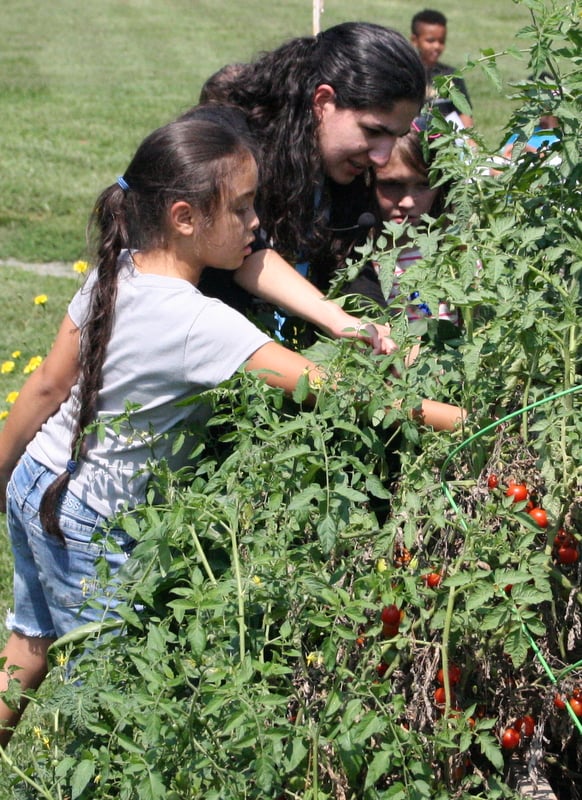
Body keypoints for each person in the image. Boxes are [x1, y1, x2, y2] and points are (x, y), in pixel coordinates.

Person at [0, 118, 465, 745]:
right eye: (243, 209)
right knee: (108, 705)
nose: (256, 224)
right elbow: (344, 394)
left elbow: (47, 390)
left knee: (28, 641)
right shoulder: (200, 323)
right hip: (93, 522)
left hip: (38, 481)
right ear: (187, 217)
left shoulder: (118, 269)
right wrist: (467, 421)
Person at [186, 22, 427, 345]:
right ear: (322, 101)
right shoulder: (221, 144)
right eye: (372, 131)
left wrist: (386, 339)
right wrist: (337, 319)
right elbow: (242, 251)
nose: (383, 158)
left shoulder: (340, 170)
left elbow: (350, 272)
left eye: (394, 137)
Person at [343, 122, 460, 327]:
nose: (407, 202)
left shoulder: (455, 255)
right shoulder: (357, 262)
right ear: (367, 180)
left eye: (424, 185)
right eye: (392, 184)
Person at [410, 9, 473, 129]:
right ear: (414, 40)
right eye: (430, 41)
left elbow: (464, 113)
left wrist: (469, 139)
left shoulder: (451, 75)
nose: (437, 46)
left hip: (447, 137)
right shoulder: (407, 74)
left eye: (441, 41)